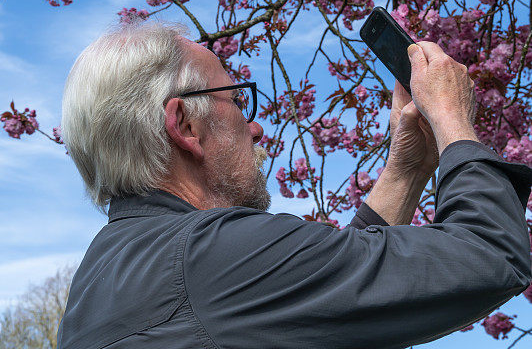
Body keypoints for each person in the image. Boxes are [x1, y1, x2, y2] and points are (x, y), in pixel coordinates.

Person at [57, 20, 532, 349]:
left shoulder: (97, 283)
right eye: (239, 102)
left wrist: (406, 169)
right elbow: (491, 253)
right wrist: (450, 117)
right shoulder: (212, 256)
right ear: (185, 125)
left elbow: (334, 293)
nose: (257, 128)